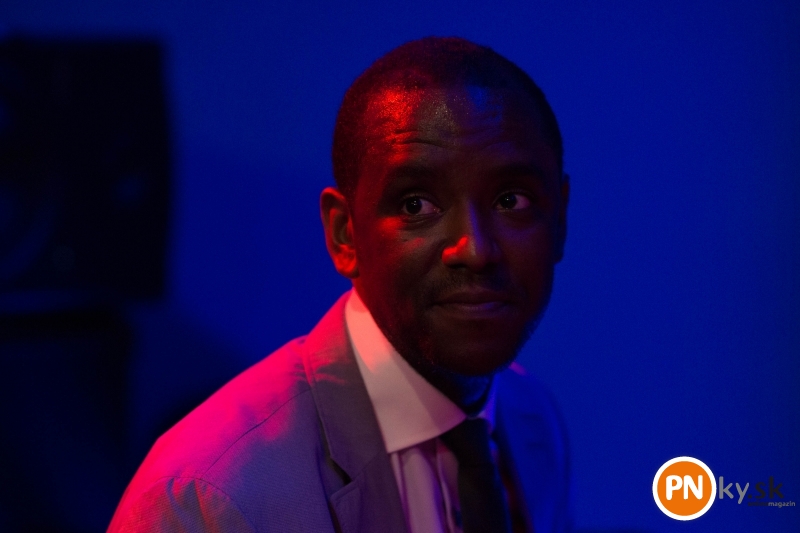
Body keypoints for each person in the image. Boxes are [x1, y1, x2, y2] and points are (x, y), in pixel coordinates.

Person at [108, 36, 572, 533]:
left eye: (511, 200)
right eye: (416, 204)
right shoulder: (208, 495)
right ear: (344, 234)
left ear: (561, 219)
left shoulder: (529, 418)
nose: (476, 250)